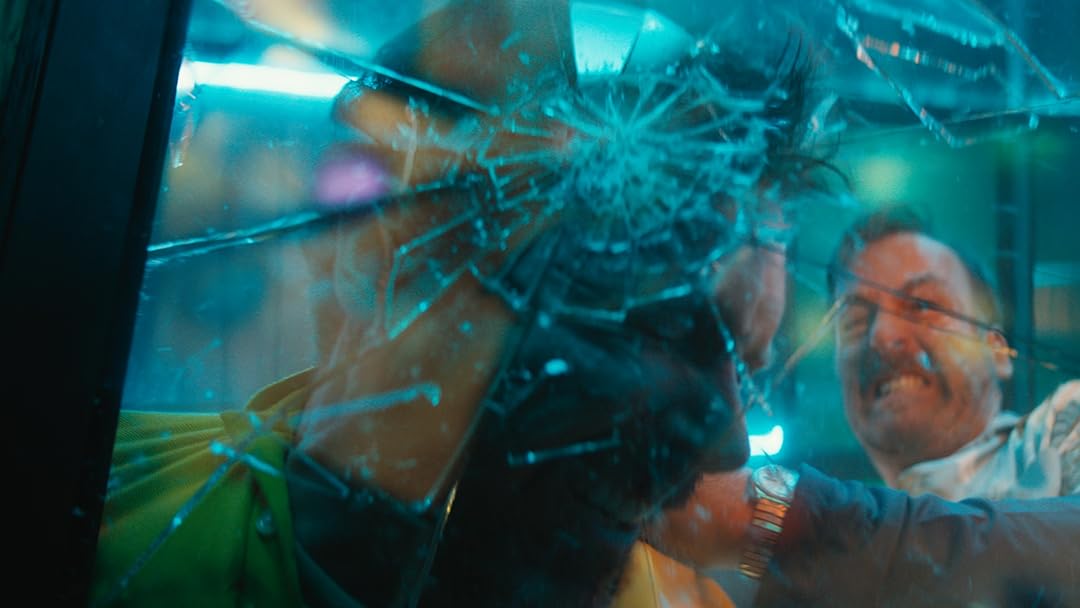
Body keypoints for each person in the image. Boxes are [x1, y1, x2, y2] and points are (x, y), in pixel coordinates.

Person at [92, 2, 818, 607]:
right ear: (402, 255)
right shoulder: (88, 509)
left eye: (747, 371)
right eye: (673, 329)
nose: (730, 444)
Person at [827, 206, 1079, 500]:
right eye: (855, 322)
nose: (881, 336)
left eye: (923, 306)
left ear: (997, 352)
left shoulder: (1062, 428)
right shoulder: (842, 521)